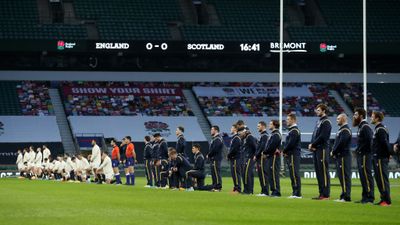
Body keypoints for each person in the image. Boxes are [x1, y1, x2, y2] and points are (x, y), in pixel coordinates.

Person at [308, 104, 332, 200]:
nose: (316, 111)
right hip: (316, 149)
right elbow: (314, 135)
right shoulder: (319, 121)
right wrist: (311, 144)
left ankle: (326, 194)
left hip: (322, 149)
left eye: (318, 110)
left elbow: (323, 136)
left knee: (323, 172)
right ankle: (321, 193)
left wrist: (313, 144)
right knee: (318, 172)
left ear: (324, 111)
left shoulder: (326, 122)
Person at [352, 108, 375, 204]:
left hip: (365, 154)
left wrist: (361, 150)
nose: (354, 116)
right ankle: (365, 197)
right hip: (362, 154)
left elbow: (370, 141)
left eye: (356, 114)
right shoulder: (361, 127)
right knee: (363, 176)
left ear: (361, 116)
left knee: (366, 175)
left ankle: (370, 197)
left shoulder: (365, 127)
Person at [371, 111, 392, 206]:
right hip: (377, 157)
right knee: (379, 179)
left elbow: (385, 143)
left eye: (372, 116)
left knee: (382, 179)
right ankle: (383, 198)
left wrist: (389, 154)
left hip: (380, 157)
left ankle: (386, 200)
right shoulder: (378, 129)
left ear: (377, 118)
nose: (371, 118)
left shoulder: (380, 129)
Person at [331, 114, 352, 202]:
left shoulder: (345, 130)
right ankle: (343, 195)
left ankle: (346, 196)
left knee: (344, 176)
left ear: (343, 119)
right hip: (341, 156)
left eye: (338, 119)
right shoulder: (342, 129)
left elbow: (342, 143)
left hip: (343, 156)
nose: (337, 120)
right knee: (342, 176)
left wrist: (334, 151)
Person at [283, 113, 302, 199]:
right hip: (291, 154)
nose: (286, 121)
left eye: (288, 119)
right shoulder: (292, 130)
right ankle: (295, 192)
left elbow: (291, 143)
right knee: (292, 174)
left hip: (294, 155)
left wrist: (284, 150)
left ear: (293, 120)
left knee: (294, 173)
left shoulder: (294, 130)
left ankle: (297, 193)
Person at [264, 120, 282, 197]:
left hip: (274, 157)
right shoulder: (274, 134)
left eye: (270, 124)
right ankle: (273, 190)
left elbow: (272, 146)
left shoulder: (276, 134)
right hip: (271, 156)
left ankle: (276, 191)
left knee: (274, 174)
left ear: (274, 125)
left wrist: (265, 152)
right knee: (271, 174)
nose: (269, 125)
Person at [207, 125, 224, 192]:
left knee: (216, 173)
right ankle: (214, 186)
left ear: (216, 130)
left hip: (216, 158)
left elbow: (215, 149)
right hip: (213, 158)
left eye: (212, 129)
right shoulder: (215, 138)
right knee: (214, 173)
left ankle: (218, 187)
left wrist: (209, 154)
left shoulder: (218, 138)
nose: (211, 131)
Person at [240, 128, 257, 195]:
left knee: (246, 174)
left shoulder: (250, 137)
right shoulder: (247, 138)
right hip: (248, 157)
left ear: (245, 132)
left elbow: (255, 146)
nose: (240, 134)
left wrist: (255, 155)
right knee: (247, 174)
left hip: (250, 158)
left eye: (241, 133)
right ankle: (249, 190)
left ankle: (248, 190)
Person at [254, 121, 269, 196]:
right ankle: (263, 191)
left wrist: (256, 155)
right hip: (260, 157)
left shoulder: (265, 135)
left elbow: (262, 147)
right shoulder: (262, 135)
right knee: (260, 174)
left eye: (259, 126)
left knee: (263, 174)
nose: (257, 127)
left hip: (262, 158)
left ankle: (265, 191)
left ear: (263, 126)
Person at [227, 123, 242, 193]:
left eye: (232, 128)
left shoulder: (236, 138)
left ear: (235, 129)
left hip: (236, 158)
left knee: (236, 173)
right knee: (234, 173)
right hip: (233, 158)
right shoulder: (234, 137)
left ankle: (238, 188)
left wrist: (229, 155)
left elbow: (234, 149)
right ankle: (235, 187)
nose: (231, 129)